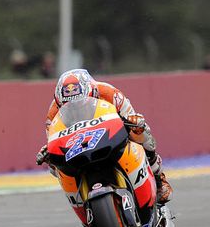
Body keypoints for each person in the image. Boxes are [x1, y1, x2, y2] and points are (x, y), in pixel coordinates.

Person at [36, 68, 173, 204]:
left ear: (92, 92)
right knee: (54, 168)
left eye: (80, 103)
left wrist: (133, 122)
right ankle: (81, 202)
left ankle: (159, 179)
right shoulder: (53, 113)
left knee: (141, 131)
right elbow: (53, 139)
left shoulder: (109, 93)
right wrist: (50, 154)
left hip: (108, 132)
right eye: (69, 106)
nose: (75, 108)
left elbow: (130, 115)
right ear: (60, 102)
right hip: (77, 144)